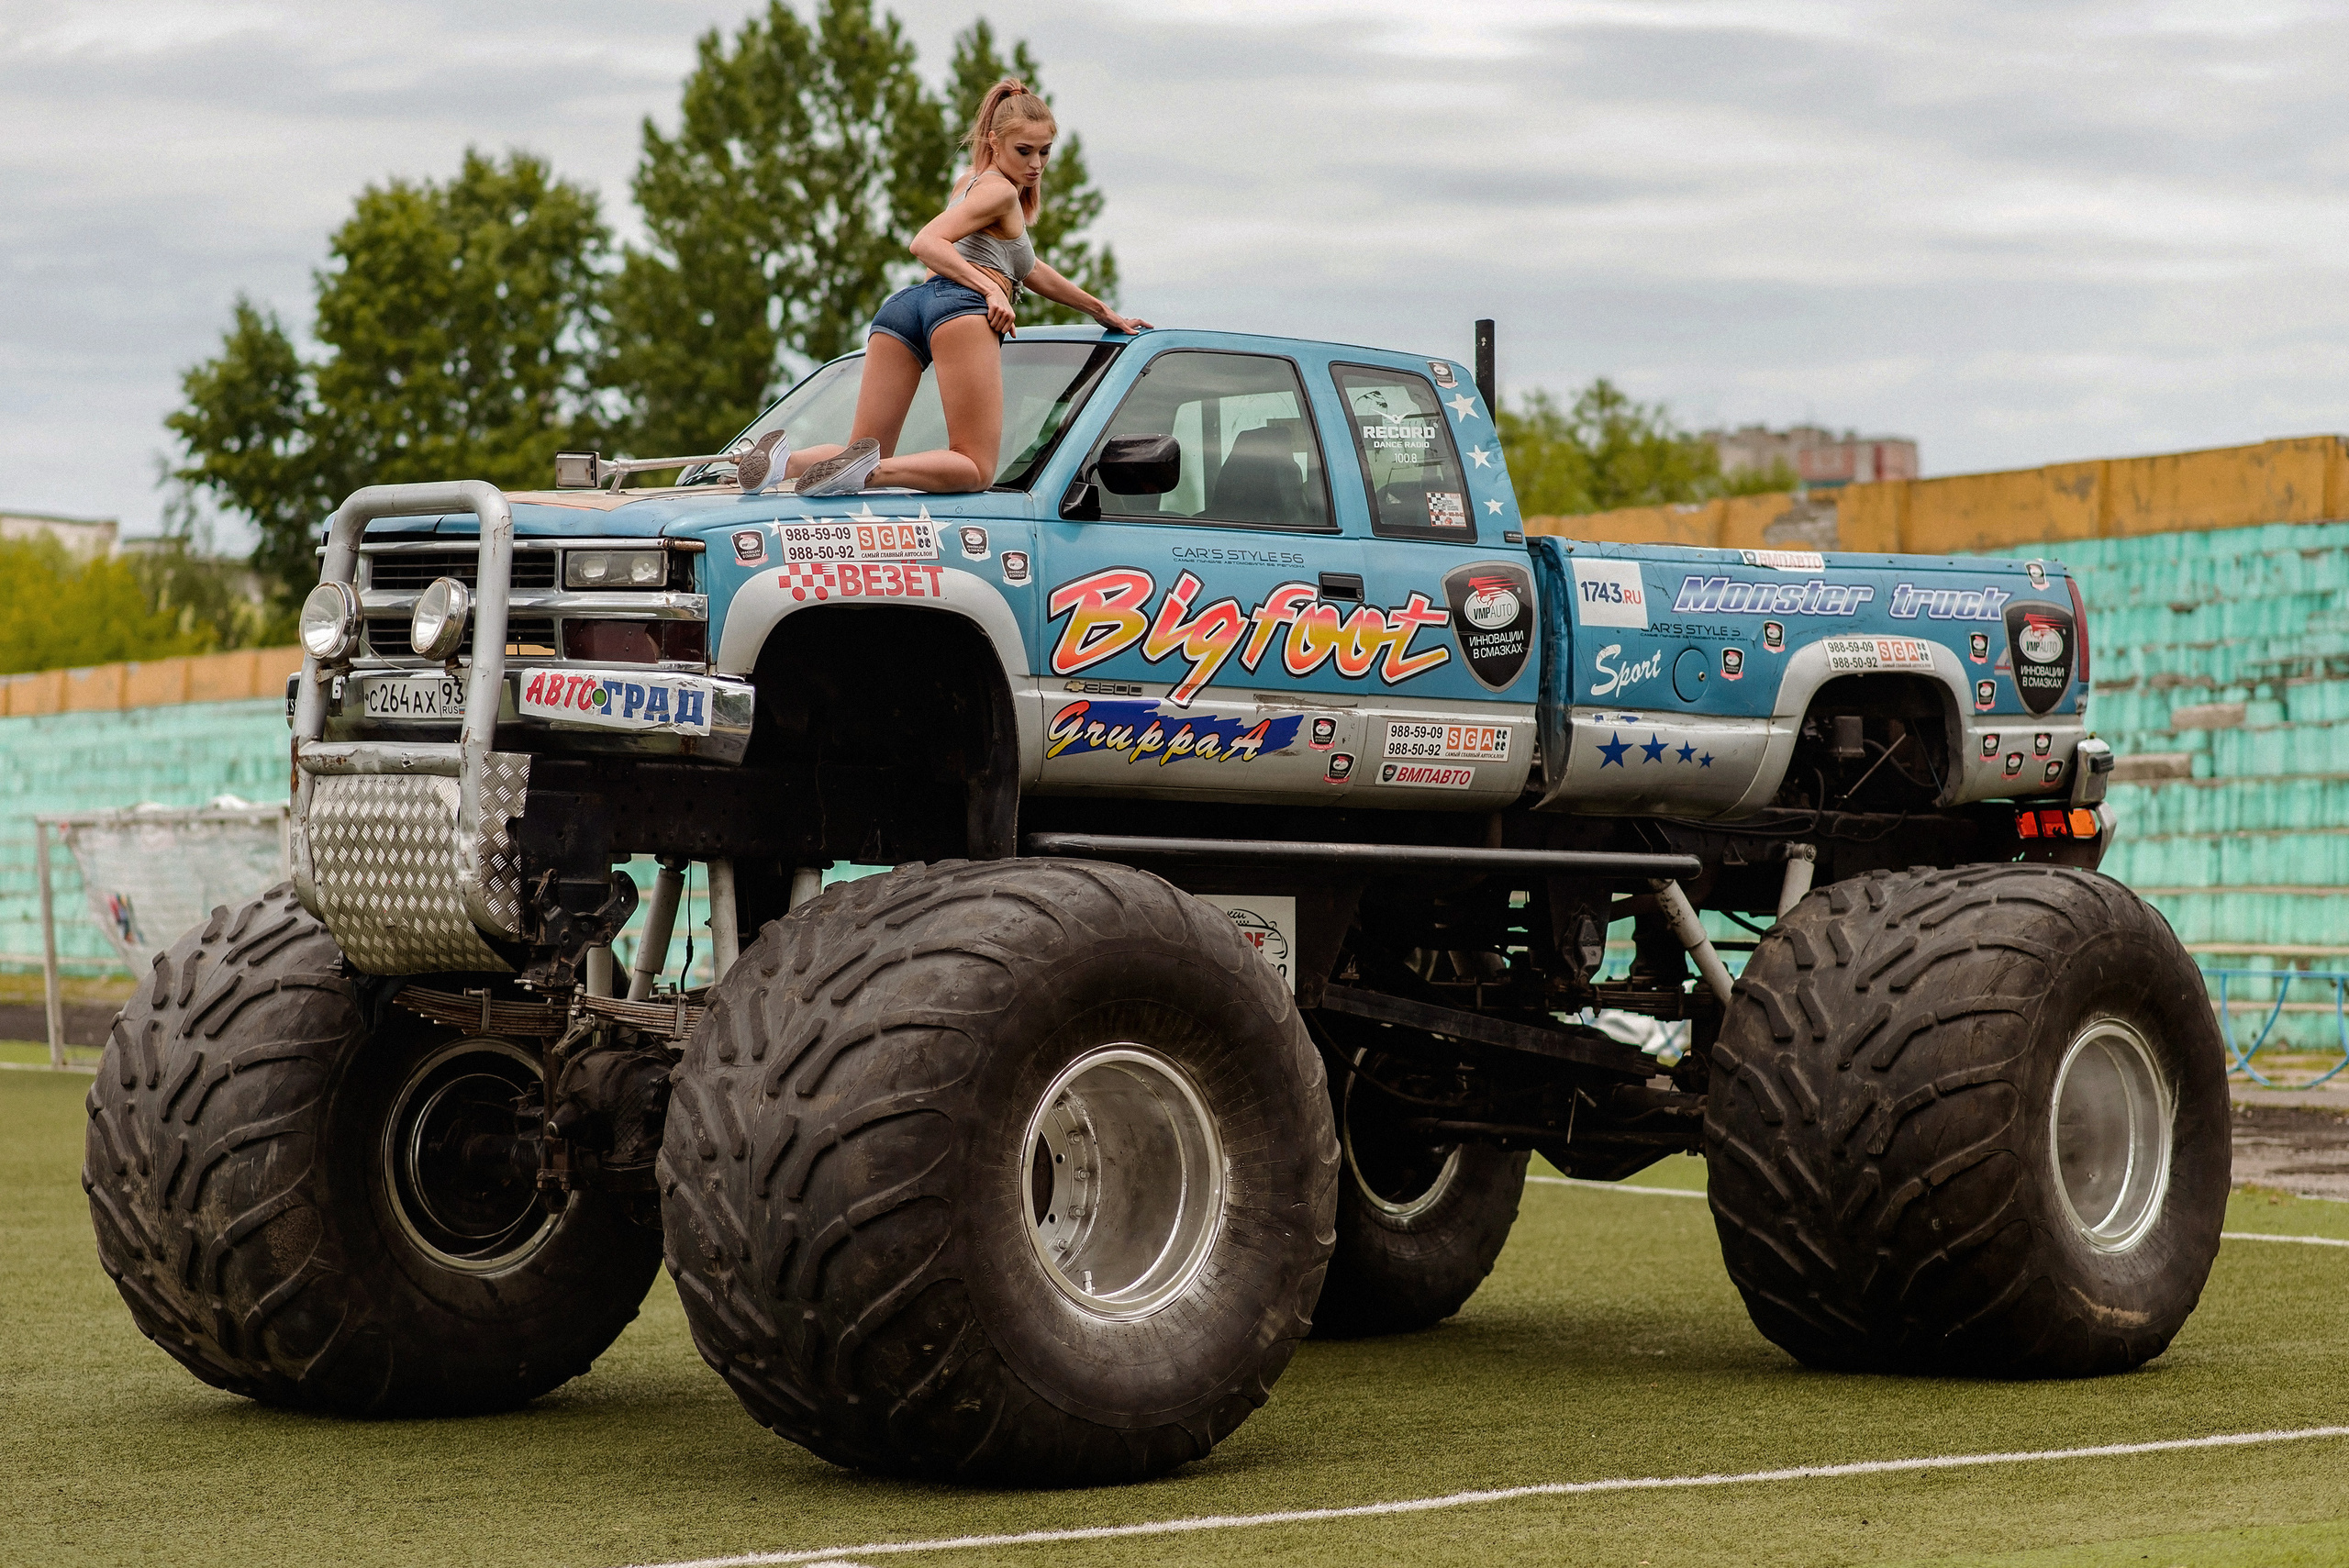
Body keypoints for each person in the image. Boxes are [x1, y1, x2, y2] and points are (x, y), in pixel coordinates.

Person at [787, 79, 1151, 496]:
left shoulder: (970, 181)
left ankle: (784, 463)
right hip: (958, 310)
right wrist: (992, 291)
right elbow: (925, 243)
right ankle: (869, 474)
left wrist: (1099, 310)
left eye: (1045, 151)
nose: (1036, 165)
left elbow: (1028, 270)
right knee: (975, 468)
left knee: (865, 447)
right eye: (1024, 151)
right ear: (994, 141)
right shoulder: (1000, 192)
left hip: (905, 309)